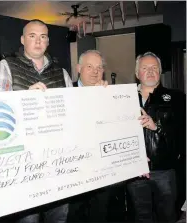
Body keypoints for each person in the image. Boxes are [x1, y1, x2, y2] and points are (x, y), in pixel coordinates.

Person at [0, 19, 71, 223]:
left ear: (48, 42)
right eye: (32, 36)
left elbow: (72, 114)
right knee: (29, 220)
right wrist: (24, 99)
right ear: (22, 40)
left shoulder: (62, 73)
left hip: (58, 161)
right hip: (24, 162)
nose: (38, 41)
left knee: (59, 216)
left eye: (43, 36)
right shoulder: (6, 66)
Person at [126, 52, 186, 223]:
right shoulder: (124, 98)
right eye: (145, 68)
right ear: (137, 73)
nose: (150, 71)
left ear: (160, 71)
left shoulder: (177, 98)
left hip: (164, 170)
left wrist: (157, 126)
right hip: (134, 171)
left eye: (154, 68)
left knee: (167, 216)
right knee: (141, 217)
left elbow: (181, 134)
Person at [69, 50, 114, 223]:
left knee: (100, 214)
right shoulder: (64, 91)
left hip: (102, 170)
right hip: (74, 171)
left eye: (99, 68)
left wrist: (102, 98)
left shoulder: (111, 95)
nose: (95, 72)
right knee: (74, 216)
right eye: (89, 66)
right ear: (79, 68)